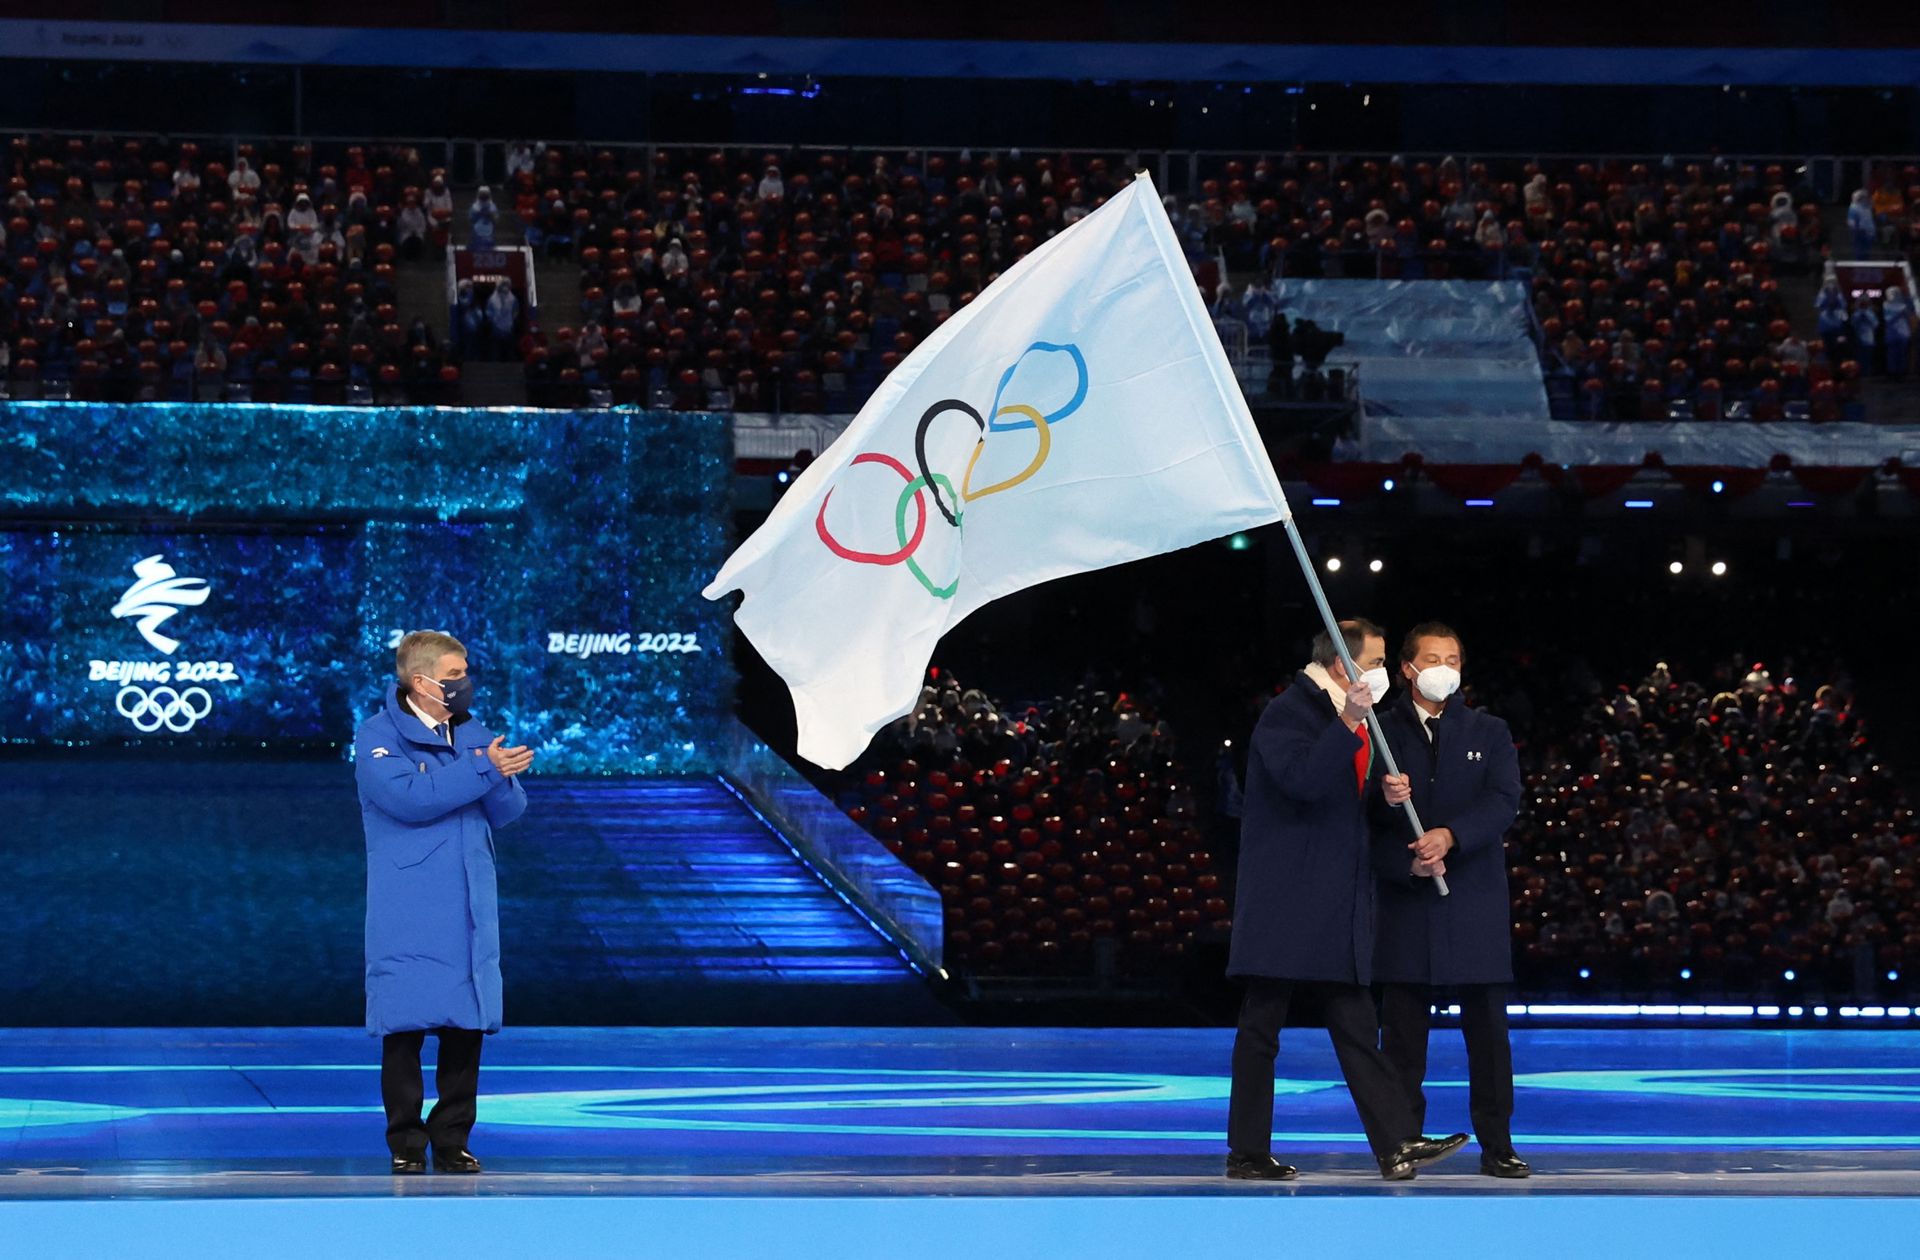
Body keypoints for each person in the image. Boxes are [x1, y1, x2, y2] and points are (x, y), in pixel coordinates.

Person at [1226, 618, 1468, 1182]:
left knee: (1357, 1022)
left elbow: (1339, 800)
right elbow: (1303, 783)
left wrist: (1381, 795)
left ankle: (1397, 1143)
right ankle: (1247, 1152)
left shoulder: (1349, 718)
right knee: (1262, 1023)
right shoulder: (1289, 711)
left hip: (1335, 897)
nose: (1383, 672)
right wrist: (1351, 720)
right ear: (1342, 663)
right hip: (1286, 899)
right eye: (1378, 661)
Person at [354, 630, 531, 1175]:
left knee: (464, 1028)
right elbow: (411, 799)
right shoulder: (377, 737)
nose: (464, 684)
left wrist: (498, 775)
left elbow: (508, 811)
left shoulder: (472, 732)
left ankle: (452, 1139)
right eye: (454, 675)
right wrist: (483, 769)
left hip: (468, 905)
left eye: (464, 673)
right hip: (410, 905)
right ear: (420, 680)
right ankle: (405, 1143)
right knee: (403, 1029)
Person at [1369, 623, 1528, 1179]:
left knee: (1487, 1035)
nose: (1445, 667)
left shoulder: (1491, 730)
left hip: (1473, 901)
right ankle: (1402, 1144)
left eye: (1454, 658)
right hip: (1408, 904)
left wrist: (1450, 835)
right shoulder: (1379, 734)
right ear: (1406, 669)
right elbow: (1362, 822)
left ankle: (1498, 1143)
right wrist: (1405, 857)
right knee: (1404, 1037)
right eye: (1433, 658)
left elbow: (1505, 799)